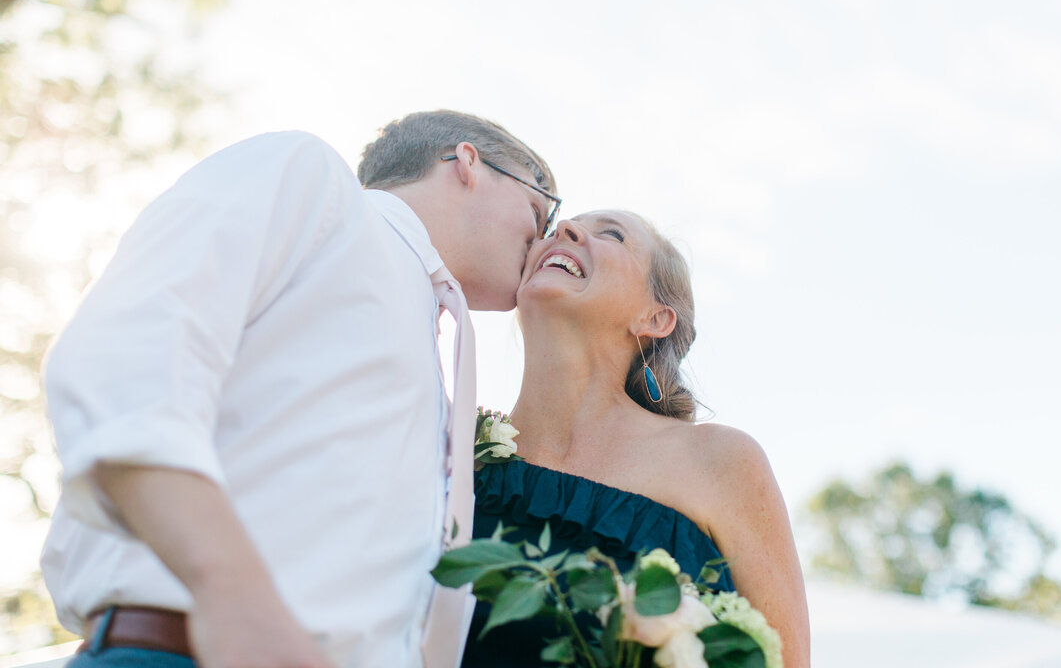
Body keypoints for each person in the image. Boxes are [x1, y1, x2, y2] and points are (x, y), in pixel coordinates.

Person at [40, 110, 559, 667]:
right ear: (467, 163)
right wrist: (234, 596)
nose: (544, 240)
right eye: (539, 210)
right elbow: (131, 354)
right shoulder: (313, 182)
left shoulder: (433, 364)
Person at [462, 211, 811, 668]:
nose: (564, 230)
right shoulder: (452, 451)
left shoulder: (720, 462)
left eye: (611, 234)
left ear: (655, 318)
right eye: (552, 230)